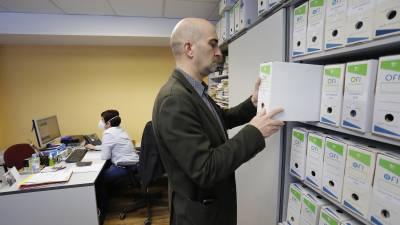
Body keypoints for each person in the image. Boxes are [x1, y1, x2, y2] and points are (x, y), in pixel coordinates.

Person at [152, 18, 285, 225]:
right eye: (212, 44)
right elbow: (206, 168)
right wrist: (255, 131)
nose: (219, 53)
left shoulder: (194, 90)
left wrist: (253, 102)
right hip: (200, 216)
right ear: (189, 48)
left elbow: (219, 119)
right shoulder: (174, 100)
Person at [85, 109, 139, 224]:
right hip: (133, 163)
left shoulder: (108, 133)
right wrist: (95, 148)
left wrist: (95, 152)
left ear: (108, 123)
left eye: (102, 120)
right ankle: (106, 199)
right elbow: (109, 146)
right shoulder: (119, 130)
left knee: (99, 180)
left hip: (125, 166)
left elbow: (105, 156)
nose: (100, 122)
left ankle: (103, 210)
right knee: (104, 172)